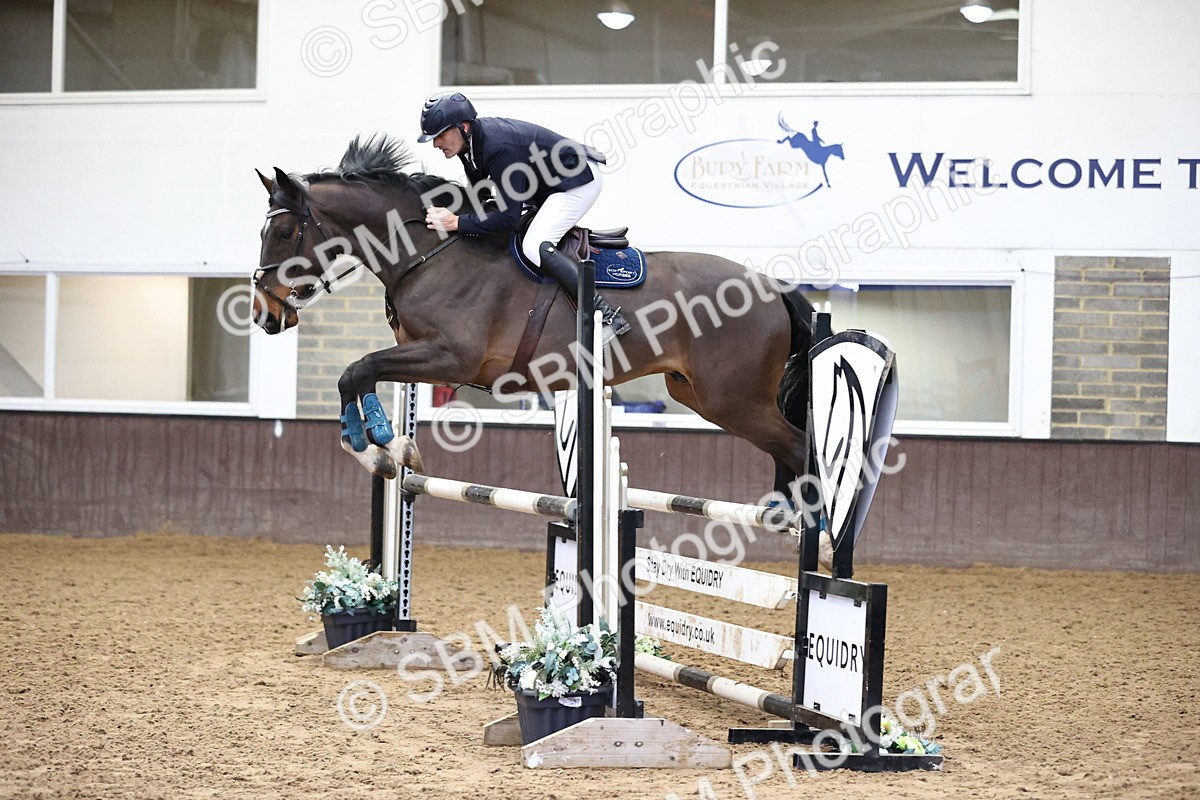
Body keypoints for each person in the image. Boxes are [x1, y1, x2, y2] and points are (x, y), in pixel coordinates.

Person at [418, 91, 630, 343]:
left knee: (534, 245)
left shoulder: (498, 148)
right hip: (547, 184)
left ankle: (605, 316)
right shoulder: (469, 146)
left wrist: (455, 222)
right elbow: (480, 195)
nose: (435, 144)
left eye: (440, 135)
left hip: (577, 181)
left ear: (462, 127)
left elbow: (507, 220)